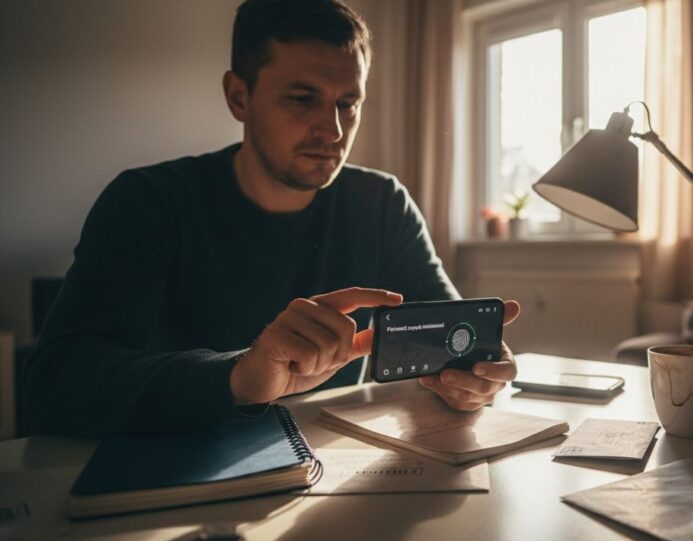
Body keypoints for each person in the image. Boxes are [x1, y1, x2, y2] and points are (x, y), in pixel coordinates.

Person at [25, 0, 520, 437]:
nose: (332, 129)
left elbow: (450, 337)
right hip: (176, 483)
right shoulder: (147, 202)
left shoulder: (383, 202)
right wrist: (238, 377)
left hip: (336, 479)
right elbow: (55, 386)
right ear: (239, 97)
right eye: (302, 99)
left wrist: (473, 375)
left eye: (349, 104)